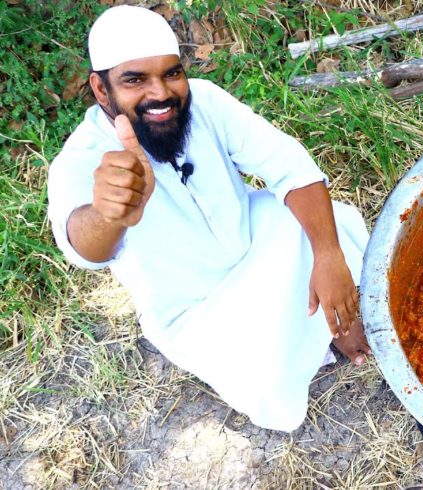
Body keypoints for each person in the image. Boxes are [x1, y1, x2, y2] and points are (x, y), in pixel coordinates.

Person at [47, 5, 370, 431]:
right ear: (101, 89)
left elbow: (290, 166)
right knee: (268, 380)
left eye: (171, 73)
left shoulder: (204, 101)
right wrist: (110, 215)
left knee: (331, 224)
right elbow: (83, 247)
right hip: (199, 310)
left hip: (254, 240)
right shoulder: (80, 160)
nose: (160, 93)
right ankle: (316, 331)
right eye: (134, 79)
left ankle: (333, 320)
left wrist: (327, 256)